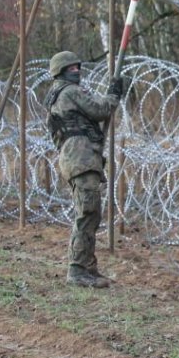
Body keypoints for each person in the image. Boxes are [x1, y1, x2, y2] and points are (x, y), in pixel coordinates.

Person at [44, 51, 128, 288]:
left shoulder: (56, 93)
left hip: (77, 157)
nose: (77, 71)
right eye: (71, 68)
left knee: (90, 213)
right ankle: (77, 270)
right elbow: (100, 110)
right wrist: (114, 93)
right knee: (88, 213)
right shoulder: (70, 92)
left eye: (77, 67)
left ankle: (87, 267)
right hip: (80, 158)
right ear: (61, 71)